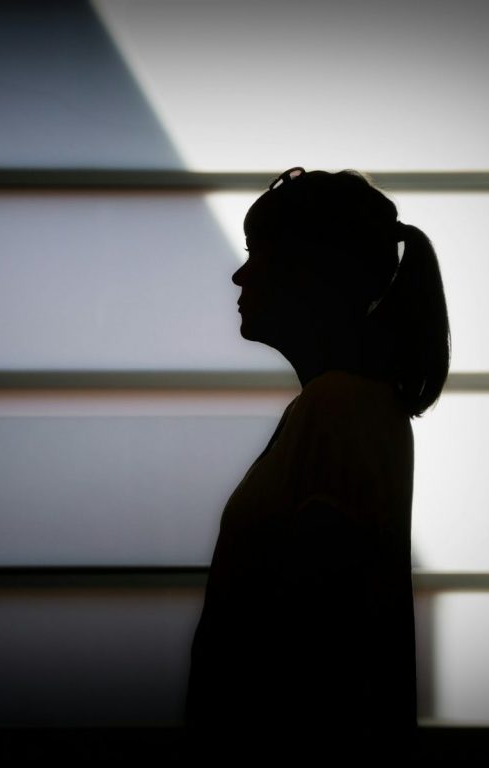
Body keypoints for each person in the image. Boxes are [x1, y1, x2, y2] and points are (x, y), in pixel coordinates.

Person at [185, 168, 450, 760]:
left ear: (309, 274)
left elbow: (312, 643)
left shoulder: (338, 409)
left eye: (256, 253)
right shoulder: (348, 405)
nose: (239, 274)